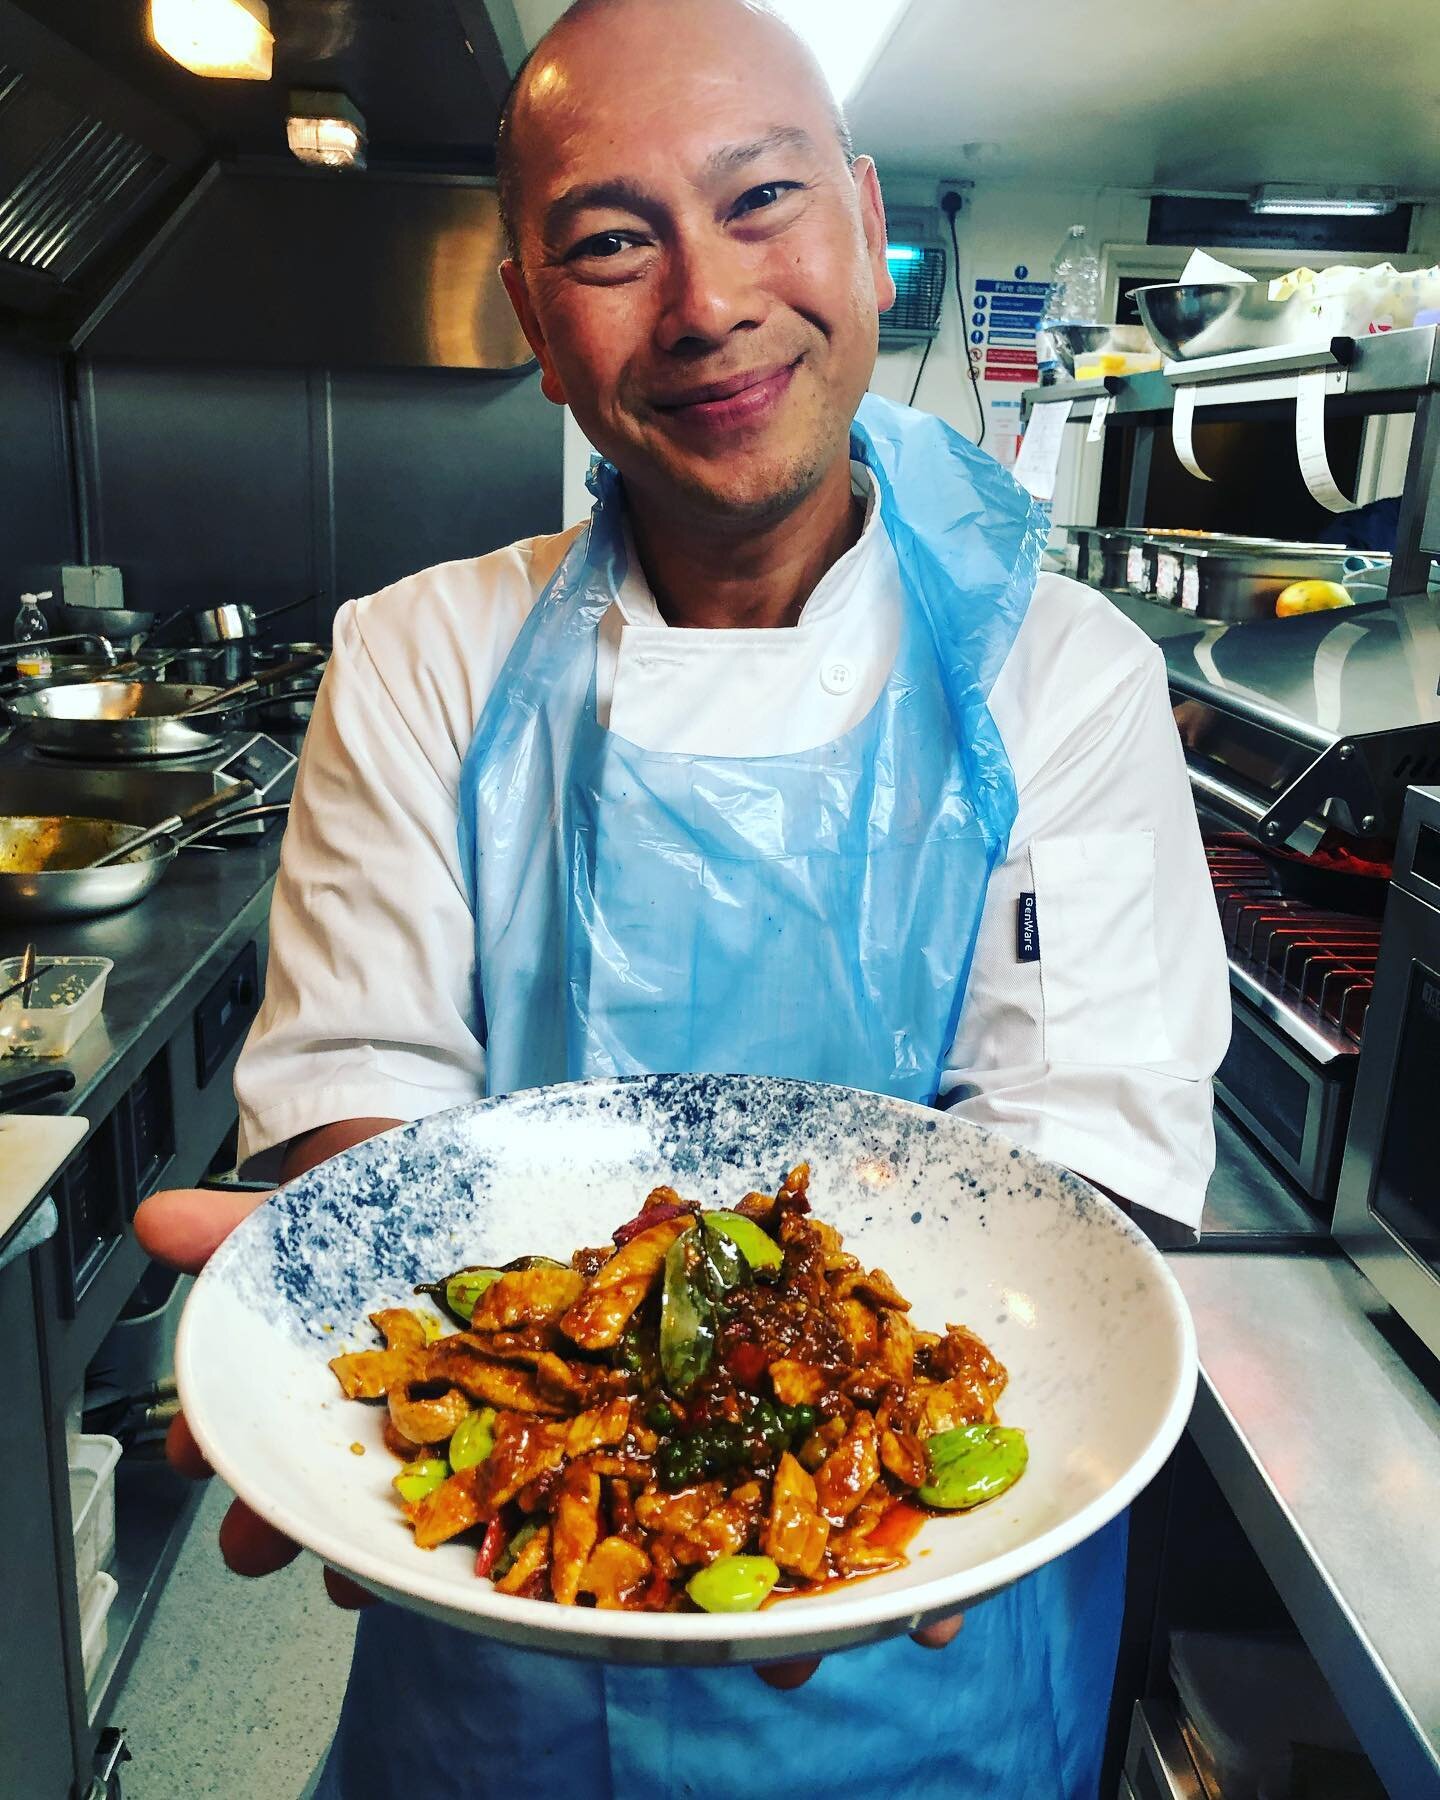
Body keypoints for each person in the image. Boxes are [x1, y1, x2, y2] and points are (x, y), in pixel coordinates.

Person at [136, 1, 1230, 1794]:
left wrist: (862, 1438)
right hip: (502, 1633)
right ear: (535, 325)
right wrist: (351, 1343)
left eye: (762, 201)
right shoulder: (420, 656)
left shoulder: (1065, 674)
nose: (708, 302)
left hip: (945, 1627)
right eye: (611, 241)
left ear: (865, 226)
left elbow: (1080, 1167)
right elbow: (365, 1101)